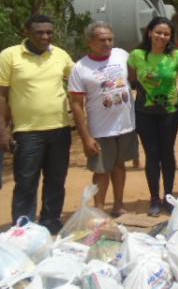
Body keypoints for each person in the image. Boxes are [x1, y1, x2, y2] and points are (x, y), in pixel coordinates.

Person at [0, 14, 74, 233]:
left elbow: (79, 81)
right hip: (27, 132)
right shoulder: (9, 56)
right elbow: (2, 95)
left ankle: (51, 222)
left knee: (56, 180)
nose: (45, 36)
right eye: (39, 32)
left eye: (49, 32)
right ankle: (24, 228)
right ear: (27, 32)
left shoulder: (60, 55)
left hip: (60, 129)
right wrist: (3, 129)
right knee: (26, 182)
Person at [69, 21, 137, 216]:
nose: (107, 43)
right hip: (100, 129)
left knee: (119, 165)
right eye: (101, 40)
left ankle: (118, 205)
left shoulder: (121, 55)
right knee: (101, 170)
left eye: (110, 39)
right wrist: (86, 137)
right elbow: (76, 104)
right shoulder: (80, 68)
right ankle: (99, 209)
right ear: (90, 42)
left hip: (126, 125)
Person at [128, 17, 178, 216]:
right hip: (144, 113)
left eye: (166, 34)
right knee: (152, 155)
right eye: (158, 32)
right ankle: (154, 198)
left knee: (167, 153)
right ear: (149, 32)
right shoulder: (136, 55)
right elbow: (132, 80)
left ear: (171, 37)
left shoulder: (177, 56)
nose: (162, 36)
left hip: (170, 112)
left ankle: (168, 196)